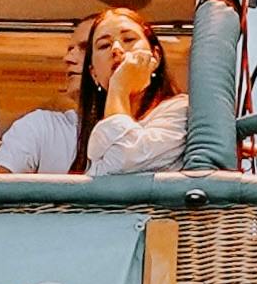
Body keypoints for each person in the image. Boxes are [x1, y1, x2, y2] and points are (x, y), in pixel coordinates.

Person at [78, 14, 188, 172]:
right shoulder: (93, 133)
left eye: (129, 39)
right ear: (93, 73)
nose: (116, 49)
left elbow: (120, 165)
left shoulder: (181, 111)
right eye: (104, 46)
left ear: (155, 56)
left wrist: (119, 87)